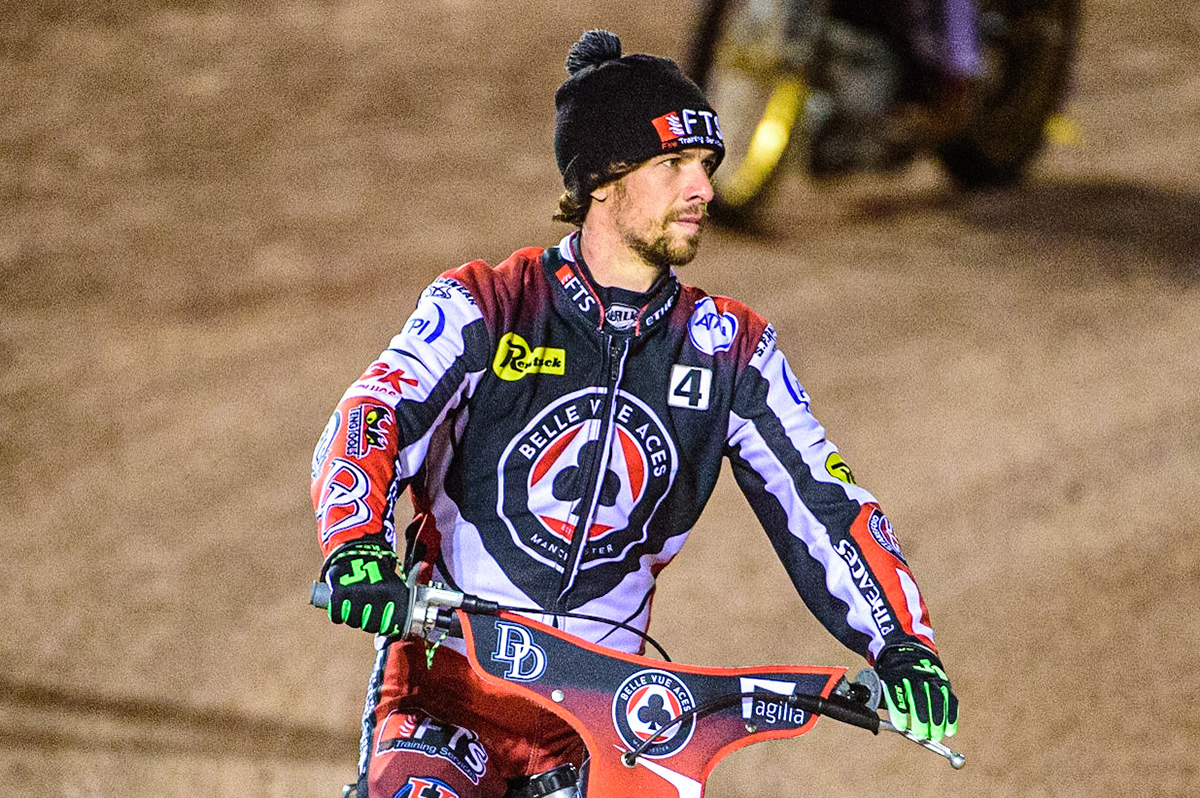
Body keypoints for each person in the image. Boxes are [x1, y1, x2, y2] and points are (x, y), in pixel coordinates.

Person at [311, 29, 959, 798]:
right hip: (445, 700)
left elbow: (823, 501)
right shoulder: (486, 305)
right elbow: (371, 414)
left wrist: (902, 644)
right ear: (603, 179)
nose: (705, 189)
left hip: (607, 724)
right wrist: (355, 547)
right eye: (674, 165)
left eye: (709, 167)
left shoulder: (731, 351)